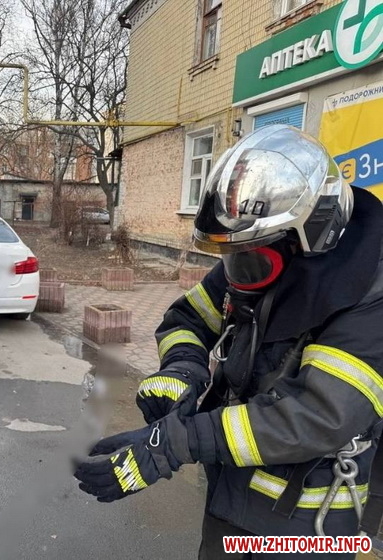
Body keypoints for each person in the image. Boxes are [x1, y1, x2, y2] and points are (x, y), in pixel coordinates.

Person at [74, 124, 383, 558]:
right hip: (231, 493)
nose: (238, 274)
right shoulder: (257, 255)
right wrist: (182, 368)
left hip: (305, 527)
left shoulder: (369, 293)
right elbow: (187, 317)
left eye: (250, 260)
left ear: (312, 234)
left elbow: (319, 416)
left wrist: (179, 442)